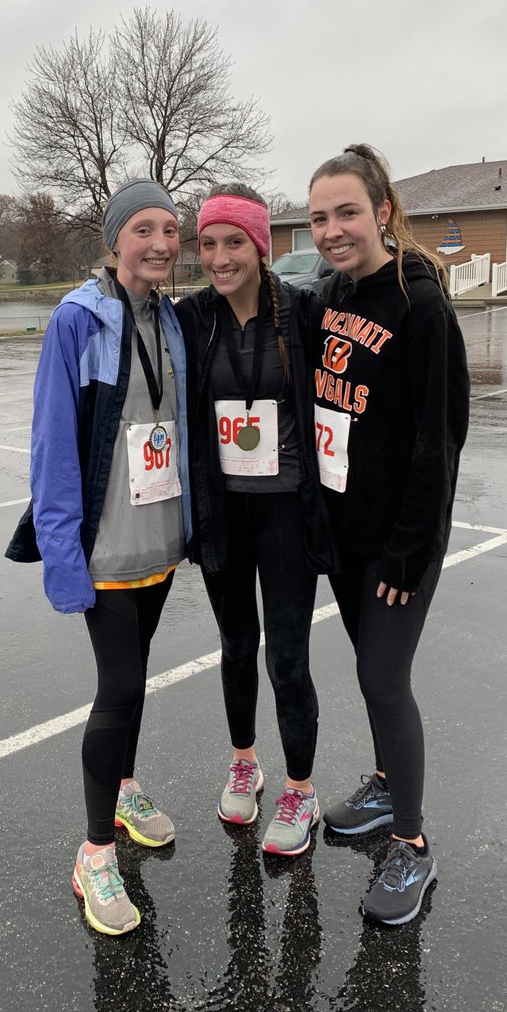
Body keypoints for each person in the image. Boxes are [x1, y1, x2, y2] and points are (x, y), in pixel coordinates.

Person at [14, 179, 191, 936]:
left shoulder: (172, 320)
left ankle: (122, 787)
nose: (159, 242)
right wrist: (61, 553)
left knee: (136, 680)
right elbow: (54, 443)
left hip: (160, 545)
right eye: (143, 229)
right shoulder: (78, 320)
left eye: (170, 230)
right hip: (107, 550)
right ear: (115, 240)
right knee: (116, 690)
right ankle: (93, 852)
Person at [308, 144, 469, 924]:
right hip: (346, 530)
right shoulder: (336, 291)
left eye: (346, 213)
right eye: (319, 217)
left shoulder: (421, 306)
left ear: (382, 212)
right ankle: (383, 784)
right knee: (367, 669)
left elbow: (438, 441)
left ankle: (412, 845)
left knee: (383, 679)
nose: (333, 230)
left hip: (398, 541)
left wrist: (411, 548)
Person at [175, 185, 337, 857]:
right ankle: (245, 761)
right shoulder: (192, 319)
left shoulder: (302, 311)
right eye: (208, 244)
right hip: (224, 512)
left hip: (288, 512)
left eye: (233, 242)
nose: (220, 257)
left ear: (260, 246)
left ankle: (300, 788)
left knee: (289, 658)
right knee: (237, 646)